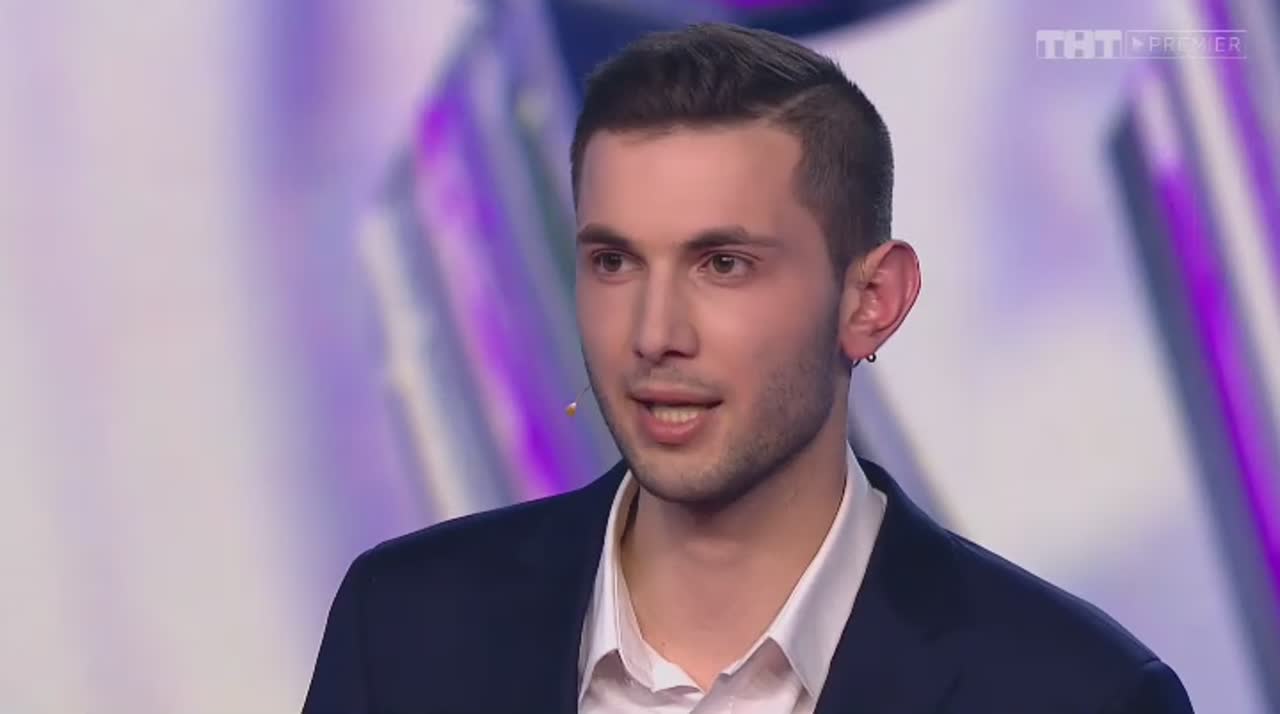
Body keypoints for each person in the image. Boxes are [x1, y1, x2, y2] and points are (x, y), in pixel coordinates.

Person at [303, 22, 1195, 714]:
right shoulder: (405, 631)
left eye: (723, 265)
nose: (654, 333)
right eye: (614, 262)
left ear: (872, 300)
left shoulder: (1075, 696)